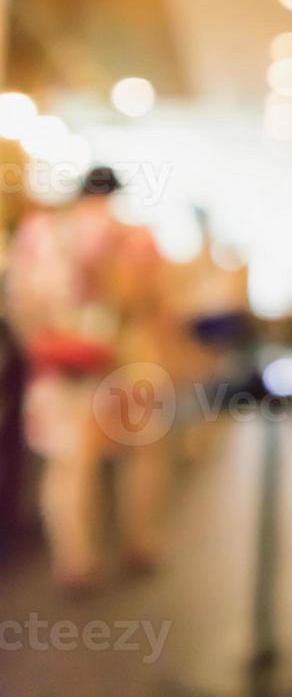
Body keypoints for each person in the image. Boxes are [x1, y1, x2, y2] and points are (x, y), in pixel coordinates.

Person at [6, 166, 174, 589]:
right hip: (126, 358)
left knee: (68, 462)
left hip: (62, 360)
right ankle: (140, 543)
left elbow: (20, 303)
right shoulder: (133, 236)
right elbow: (151, 298)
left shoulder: (39, 231)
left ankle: (75, 559)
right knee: (140, 456)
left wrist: (44, 342)